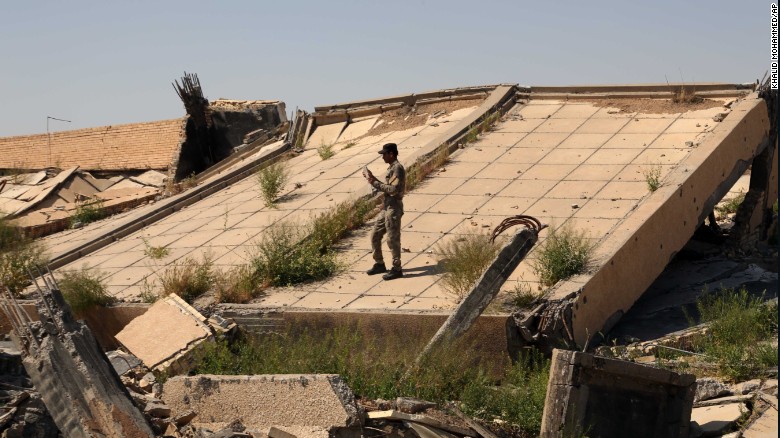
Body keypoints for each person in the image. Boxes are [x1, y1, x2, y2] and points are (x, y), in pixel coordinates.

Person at [364, 143, 406, 280]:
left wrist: (374, 183)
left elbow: (392, 190)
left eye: (384, 154)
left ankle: (397, 268)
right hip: (387, 207)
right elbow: (387, 186)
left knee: (392, 239)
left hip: (394, 208)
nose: (383, 157)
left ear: (391, 154)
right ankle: (379, 263)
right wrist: (373, 179)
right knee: (375, 234)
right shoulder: (392, 168)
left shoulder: (397, 168)